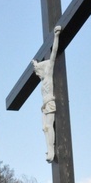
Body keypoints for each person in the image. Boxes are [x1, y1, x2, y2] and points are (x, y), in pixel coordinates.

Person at [31, 25, 62, 162]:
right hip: (44, 106)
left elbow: (54, 52)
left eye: (38, 72)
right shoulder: (43, 80)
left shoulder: (48, 74)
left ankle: (52, 151)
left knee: (49, 126)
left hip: (50, 103)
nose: (37, 74)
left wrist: (56, 36)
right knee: (44, 128)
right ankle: (49, 149)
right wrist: (35, 63)